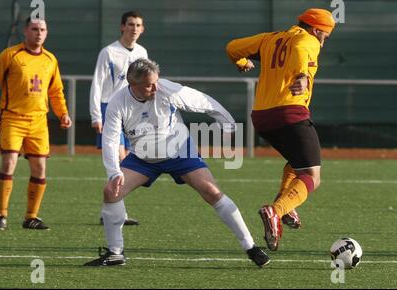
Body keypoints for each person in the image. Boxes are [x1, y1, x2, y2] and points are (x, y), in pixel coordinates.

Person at [84, 58, 270, 267]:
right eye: (148, 84)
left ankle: (251, 247)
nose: (155, 87)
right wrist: (114, 172)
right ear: (132, 84)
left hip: (179, 151)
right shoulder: (118, 102)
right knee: (111, 191)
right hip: (143, 157)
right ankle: (115, 253)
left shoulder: (168, 89)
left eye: (156, 81)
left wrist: (227, 123)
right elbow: (110, 139)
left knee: (212, 192)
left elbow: (204, 101)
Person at [226, 8, 336, 251]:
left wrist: (243, 62)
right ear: (317, 30)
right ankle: (276, 211)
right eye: (324, 37)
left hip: (262, 117)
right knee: (312, 176)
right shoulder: (308, 40)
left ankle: (285, 206)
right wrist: (301, 75)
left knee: (296, 162)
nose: (323, 42)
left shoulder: (269, 38)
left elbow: (233, 47)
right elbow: (300, 49)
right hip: (290, 113)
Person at [0, 17, 72, 230]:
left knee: (40, 168)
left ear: (47, 32)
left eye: (42, 29)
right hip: (13, 118)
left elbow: (56, 91)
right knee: (8, 164)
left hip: (39, 121)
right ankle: (1, 215)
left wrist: (63, 114)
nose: (38, 33)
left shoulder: (50, 59)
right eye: (34, 29)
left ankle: (31, 217)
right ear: (25, 31)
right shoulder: (10, 55)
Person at [89, 10, 148, 226]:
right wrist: (97, 115)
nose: (134, 28)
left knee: (126, 161)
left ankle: (112, 212)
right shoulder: (109, 52)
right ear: (122, 27)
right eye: (130, 24)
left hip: (132, 113)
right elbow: (97, 83)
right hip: (110, 110)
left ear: (142, 29)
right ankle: (115, 213)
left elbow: (147, 85)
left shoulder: (142, 52)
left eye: (138, 25)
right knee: (120, 160)